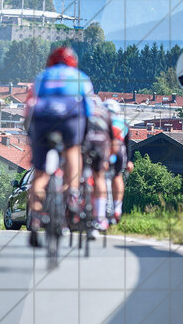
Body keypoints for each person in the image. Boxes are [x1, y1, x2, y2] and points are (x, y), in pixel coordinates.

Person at [25, 46, 94, 246]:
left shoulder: (41, 76)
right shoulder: (80, 77)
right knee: (73, 150)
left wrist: (31, 136)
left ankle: (36, 219)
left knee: (40, 174)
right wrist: (84, 136)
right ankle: (72, 194)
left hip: (43, 118)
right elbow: (89, 109)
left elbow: (29, 106)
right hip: (71, 118)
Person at [83, 93, 113, 237]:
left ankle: (74, 198)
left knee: (74, 170)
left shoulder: (82, 110)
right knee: (99, 177)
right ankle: (100, 217)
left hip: (85, 143)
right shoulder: (105, 114)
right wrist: (107, 159)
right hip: (101, 144)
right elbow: (112, 138)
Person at [104, 98, 133, 223]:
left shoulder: (101, 120)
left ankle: (101, 210)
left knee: (99, 177)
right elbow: (127, 146)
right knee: (117, 176)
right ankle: (117, 209)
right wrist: (128, 162)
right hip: (120, 151)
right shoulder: (124, 123)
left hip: (104, 150)